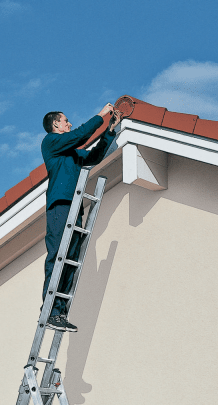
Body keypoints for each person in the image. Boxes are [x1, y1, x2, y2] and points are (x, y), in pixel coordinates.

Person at [40, 104, 122, 331]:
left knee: (71, 257)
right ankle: (50, 311)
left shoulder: (72, 154)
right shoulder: (50, 142)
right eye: (65, 120)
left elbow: (94, 155)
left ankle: (59, 313)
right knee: (58, 255)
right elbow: (79, 136)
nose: (69, 123)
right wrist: (100, 116)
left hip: (75, 208)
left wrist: (110, 130)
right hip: (60, 205)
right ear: (55, 124)